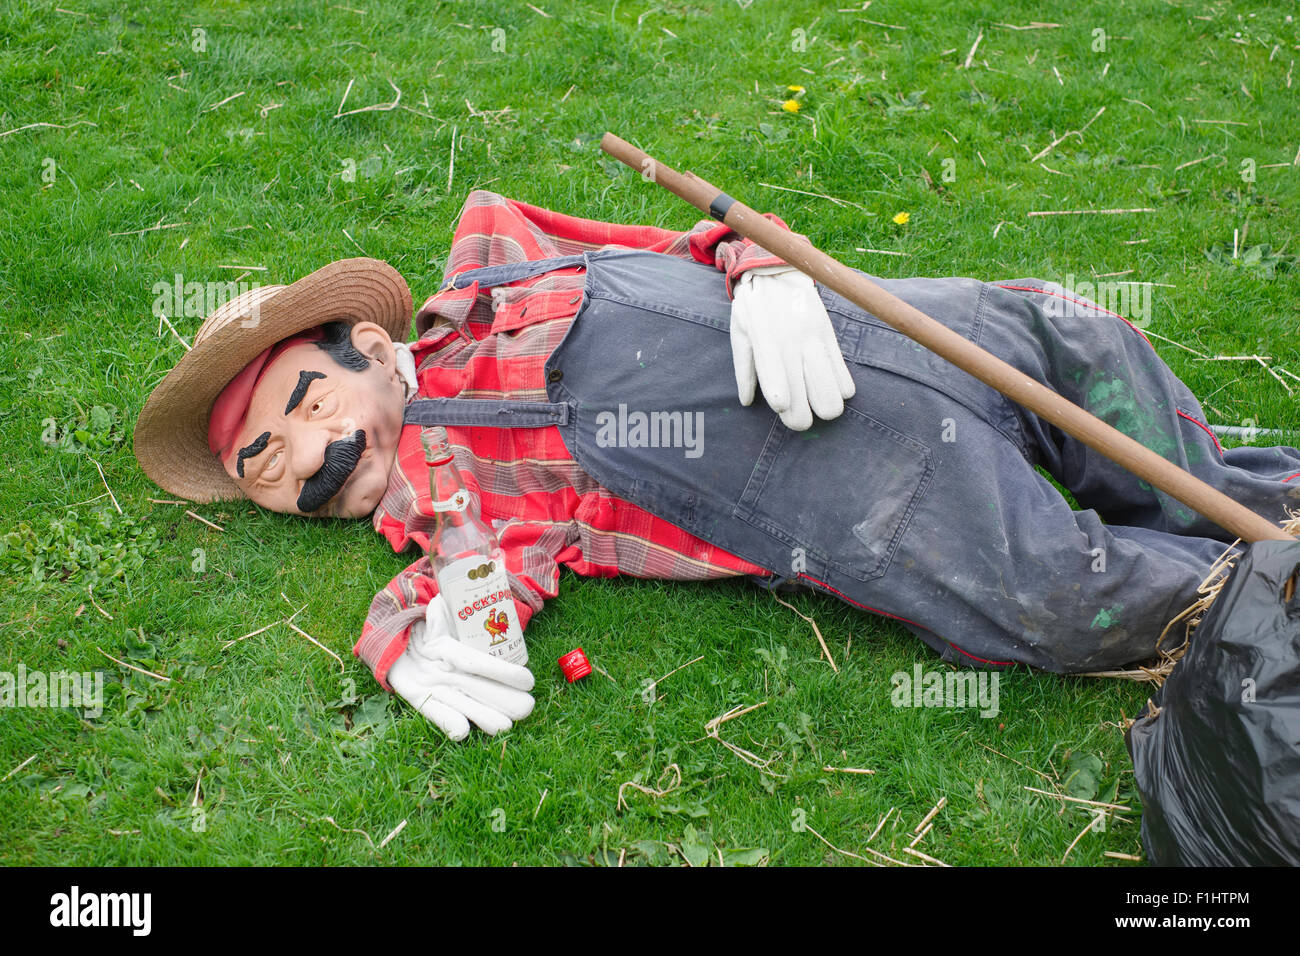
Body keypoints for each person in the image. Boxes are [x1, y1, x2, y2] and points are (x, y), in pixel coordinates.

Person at [134, 190, 1300, 741]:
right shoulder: (456, 506)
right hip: (873, 493)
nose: (310, 456)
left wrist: (765, 269)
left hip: (878, 323)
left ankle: (1268, 509)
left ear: (373, 345)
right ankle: (1274, 589)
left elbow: (670, 236)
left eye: (304, 403)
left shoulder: (495, 254)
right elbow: (455, 599)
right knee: (1066, 592)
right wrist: (405, 643)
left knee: (1086, 355)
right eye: (266, 468)